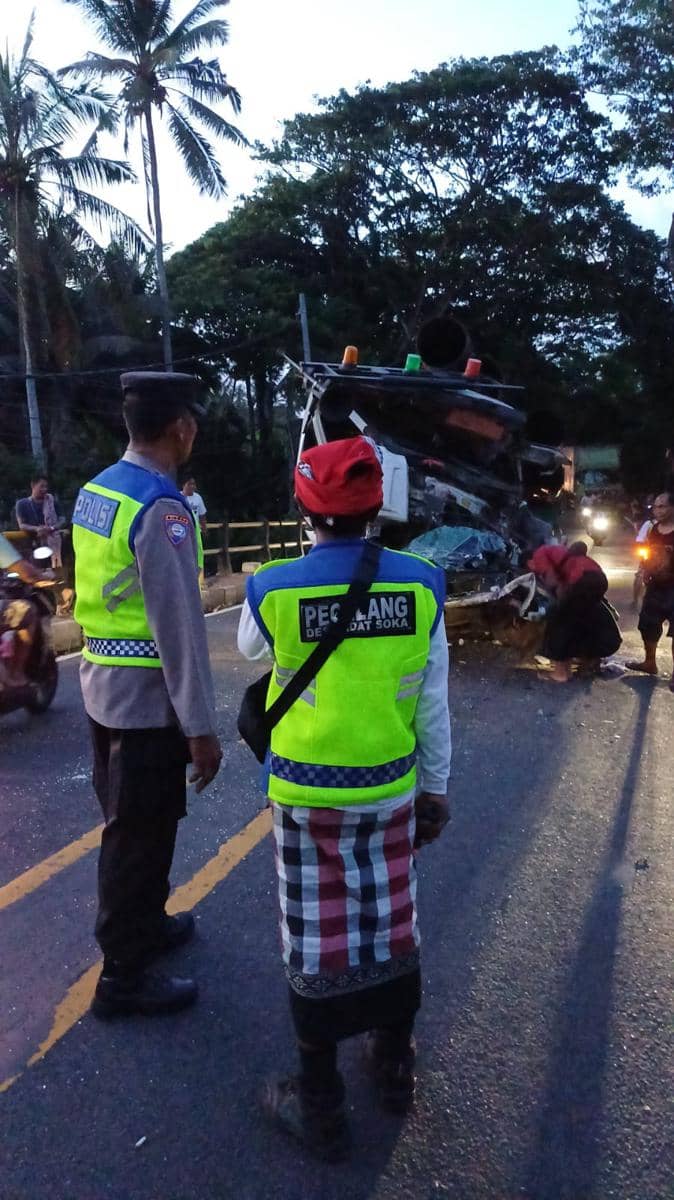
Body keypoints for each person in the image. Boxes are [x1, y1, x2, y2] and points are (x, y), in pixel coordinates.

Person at [238, 436, 451, 1160]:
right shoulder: (424, 583)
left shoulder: (273, 587)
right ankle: (395, 1067)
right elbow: (433, 703)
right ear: (377, 506)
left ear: (305, 506)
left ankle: (322, 1102)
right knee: (392, 922)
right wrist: (438, 790)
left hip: (302, 796)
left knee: (315, 936)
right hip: (389, 790)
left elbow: (248, 653)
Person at [72, 371, 223, 1019]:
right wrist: (201, 727)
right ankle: (122, 976)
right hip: (145, 704)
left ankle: (147, 924)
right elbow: (180, 629)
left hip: (100, 688)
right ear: (179, 428)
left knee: (142, 823)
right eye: (192, 421)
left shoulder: (95, 492)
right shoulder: (163, 509)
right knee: (137, 835)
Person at [529, 540, 621, 682]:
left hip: (584, 581)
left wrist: (557, 604)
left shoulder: (539, 554)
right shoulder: (559, 552)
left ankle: (560, 673)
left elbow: (554, 582)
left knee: (559, 622)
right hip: (600, 580)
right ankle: (586, 662)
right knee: (579, 622)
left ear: (529, 562)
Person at [626, 491, 674, 687]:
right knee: (647, 624)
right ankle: (650, 662)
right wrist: (645, 569)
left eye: (662, 506)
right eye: (655, 506)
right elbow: (647, 552)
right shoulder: (654, 530)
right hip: (655, 585)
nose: (657, 510)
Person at [16, 475, 65, 568]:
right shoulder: (22, 504)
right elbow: (21, 525)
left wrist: (51, 528)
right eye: (42, 486)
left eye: (46, 486)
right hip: (33, 545)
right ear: (33, 485)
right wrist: (37, 529)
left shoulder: (52, 501)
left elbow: (62, 519)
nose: (44, 489)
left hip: (55, 542)